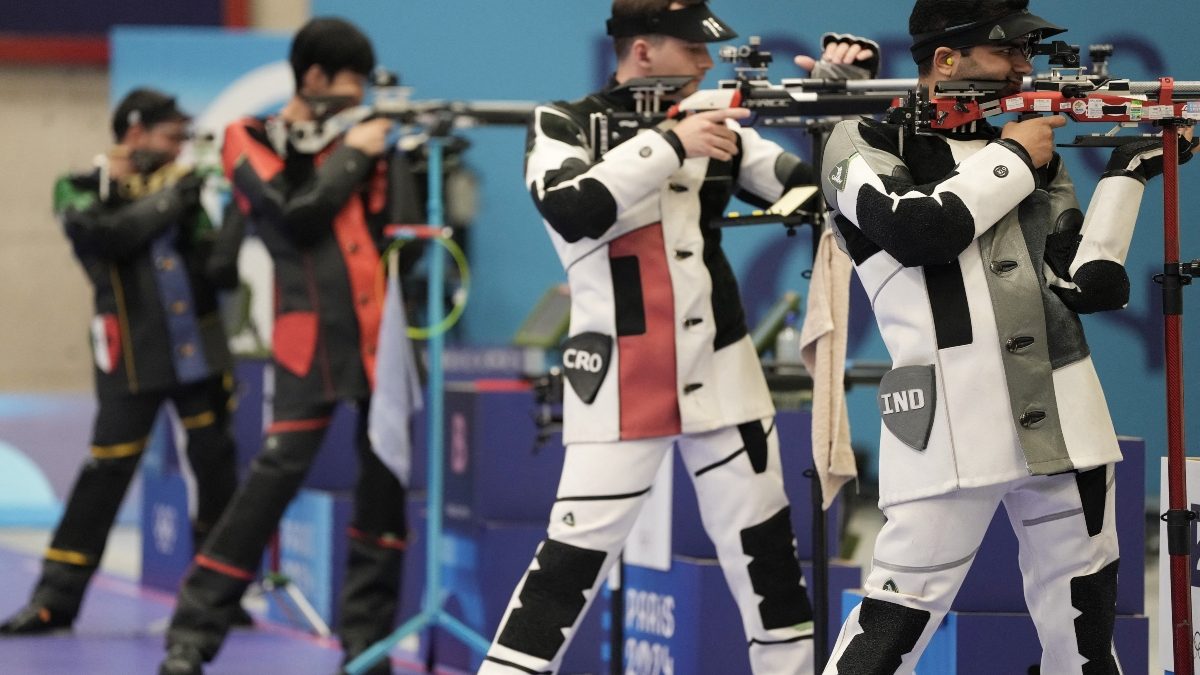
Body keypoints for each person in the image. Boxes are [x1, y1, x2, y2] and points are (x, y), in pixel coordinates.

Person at [478, 3, 879, 674]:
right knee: (568, 566)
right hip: (622, 380)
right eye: (692, 47)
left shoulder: (711, 122)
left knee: (769, 563)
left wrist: (838, 119)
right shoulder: (563, 123)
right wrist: (670, 142)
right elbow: (572, 209)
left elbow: (816, 194)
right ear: (642, 50)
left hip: (724, 374)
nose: (705, 61)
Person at [818, 1, 1196, 672]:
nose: (1024, 67)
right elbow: (917, 230)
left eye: (1028, 52)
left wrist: (1127, 176)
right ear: (946, 60)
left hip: (1066, 418)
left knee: (1085, 638)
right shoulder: (863, 139)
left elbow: (1086, 285)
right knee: (892, 629)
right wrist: (1015, 156)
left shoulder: (1029, 150)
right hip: (949, 424)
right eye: (1008, 51)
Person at [157, 17, 414, 675]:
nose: (357, 99)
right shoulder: (249, 136)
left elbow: (406, 243)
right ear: (314, 77)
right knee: (265, 492)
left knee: (383, 493)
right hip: (309, 345)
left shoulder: (364, 138)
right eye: (349, 84)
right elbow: (294, 214)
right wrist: (355, 152)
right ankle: (192, 635)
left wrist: (395, 157)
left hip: (381, 343)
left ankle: (365, 647)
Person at [0, 89, 243, 635]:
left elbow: (217, 270)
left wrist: (236, 210)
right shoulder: (80, 187)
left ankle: (220, 594)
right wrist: (176, 197)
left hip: (198, 354)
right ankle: (54, 599)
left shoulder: (186, 192)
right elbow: (109, 236)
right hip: (130, 358)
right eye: (171, 137)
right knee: (105, 473)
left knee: (216, 466)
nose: (179, 149)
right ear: (135, 133)